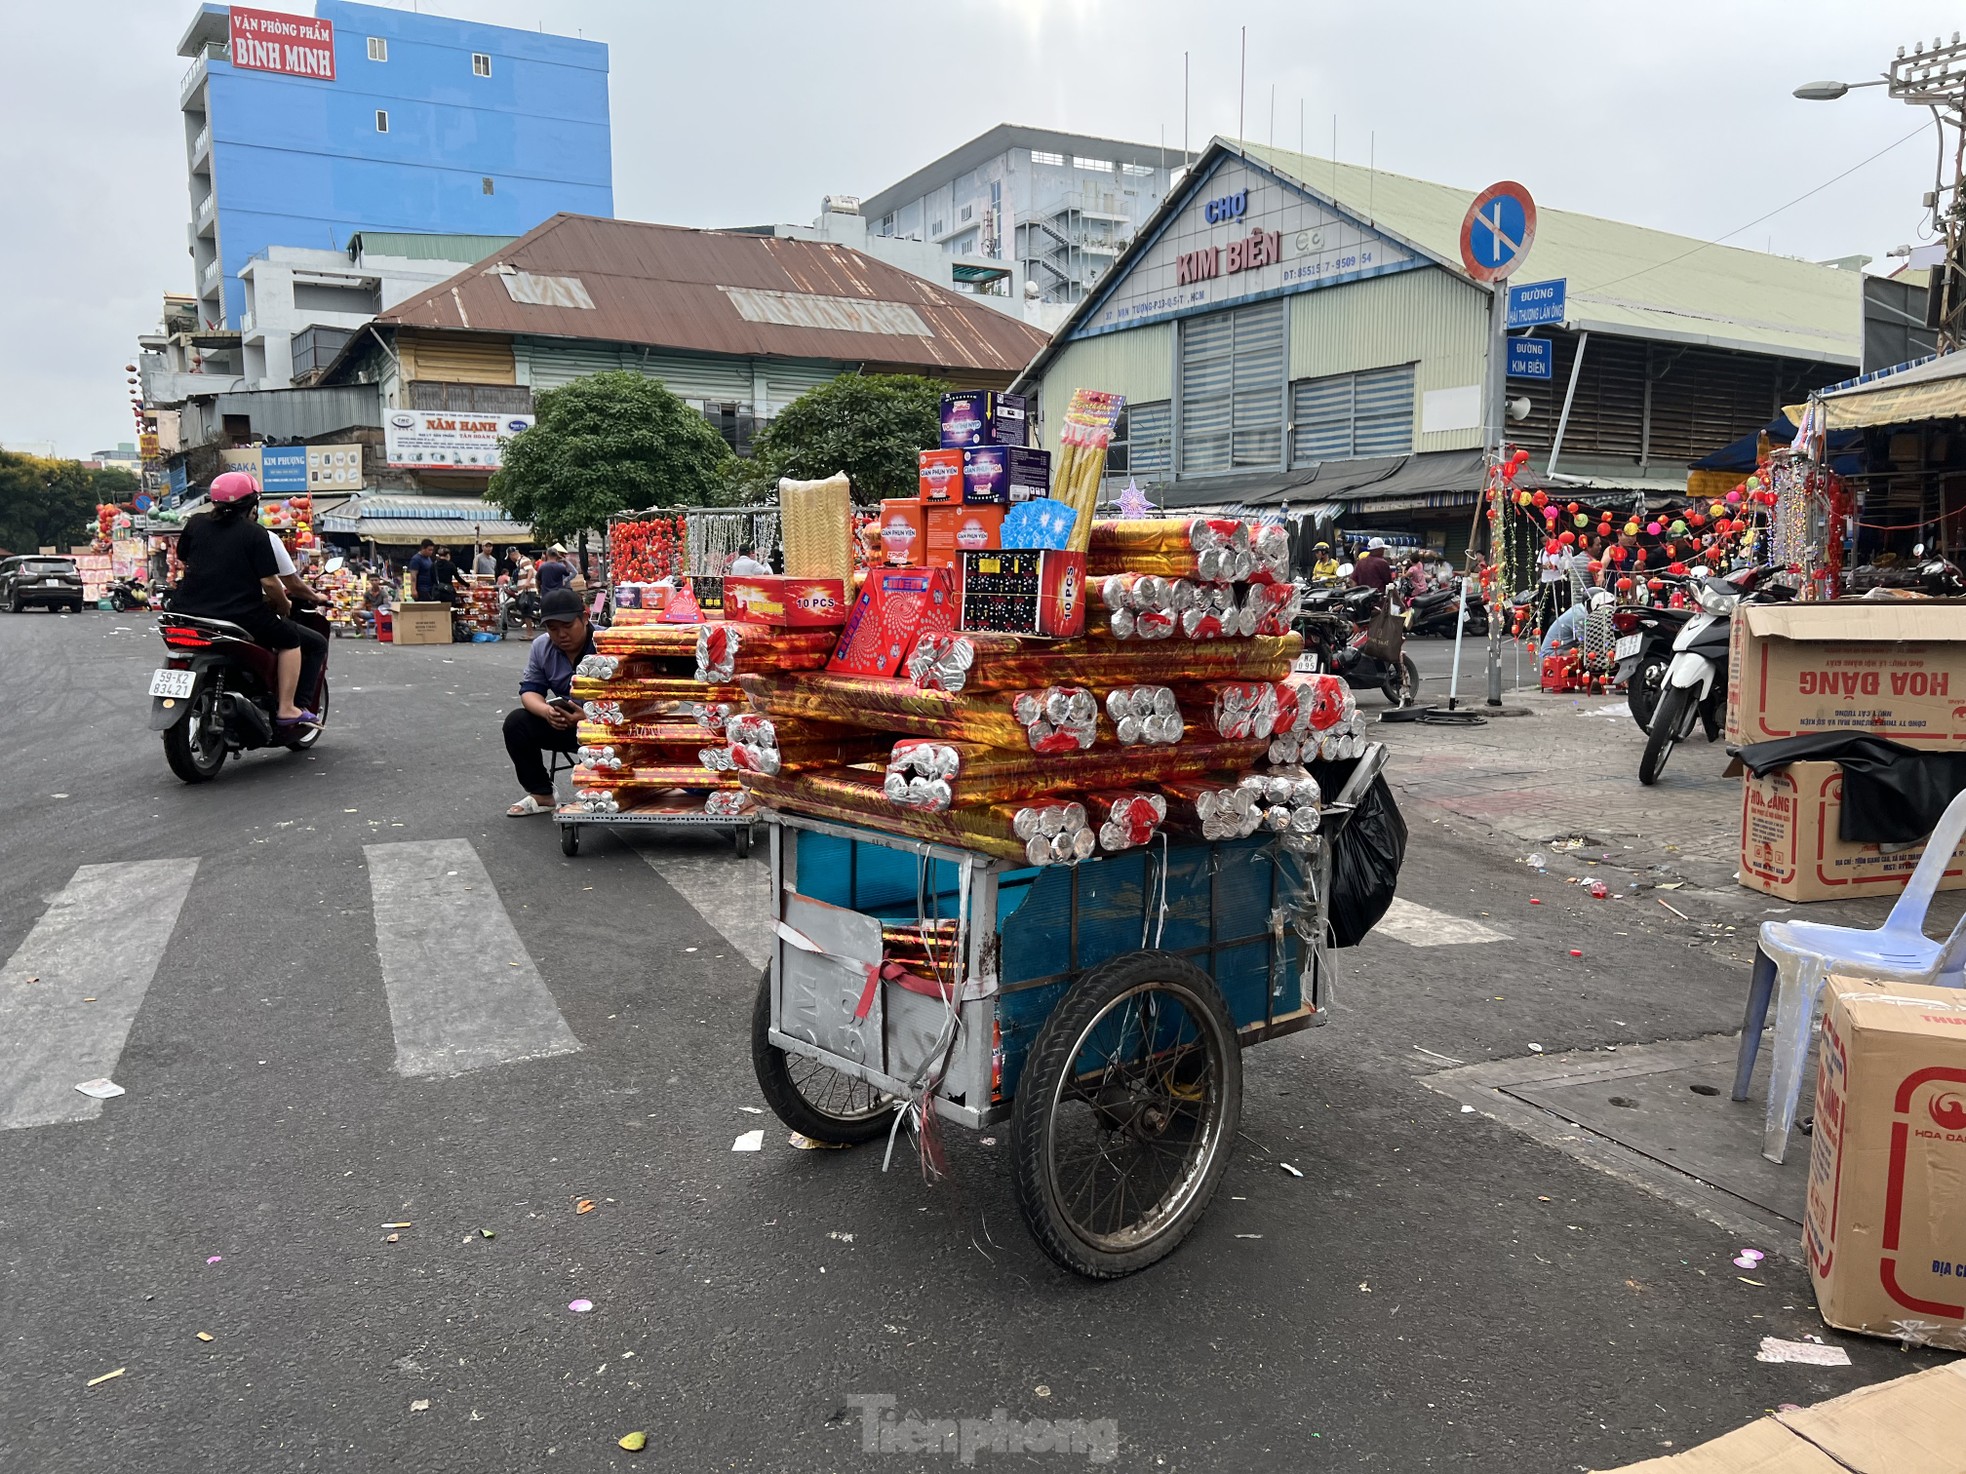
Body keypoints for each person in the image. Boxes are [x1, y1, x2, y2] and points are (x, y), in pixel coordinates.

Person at [170, 471, 316, 730]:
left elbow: (185, 558)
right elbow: (271, 583)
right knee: (291, 640)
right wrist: (284, 607)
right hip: (239, 614)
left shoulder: (195, 523)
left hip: (188, 610)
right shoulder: (255, 534)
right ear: (251, 504)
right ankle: (286, 707)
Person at [503, 588, 597, 817]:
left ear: (585, 618)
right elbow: (530, 692)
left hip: (609, 726)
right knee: (516, 722)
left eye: (567, 626)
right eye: (553, 629)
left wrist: (588, 717)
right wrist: (547, 712)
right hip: (566, 725)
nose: (561, 635)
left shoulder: (608, 642)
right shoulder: (541, 647)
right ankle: (542, 794)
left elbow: (636, 699)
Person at [264, 527, 329, 711]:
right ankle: (290, 708)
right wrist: (285, 602)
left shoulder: (201, 529)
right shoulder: (261, 536)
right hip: (248, 612)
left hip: (192, 610)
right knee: (300, 640)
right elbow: (275, 582)